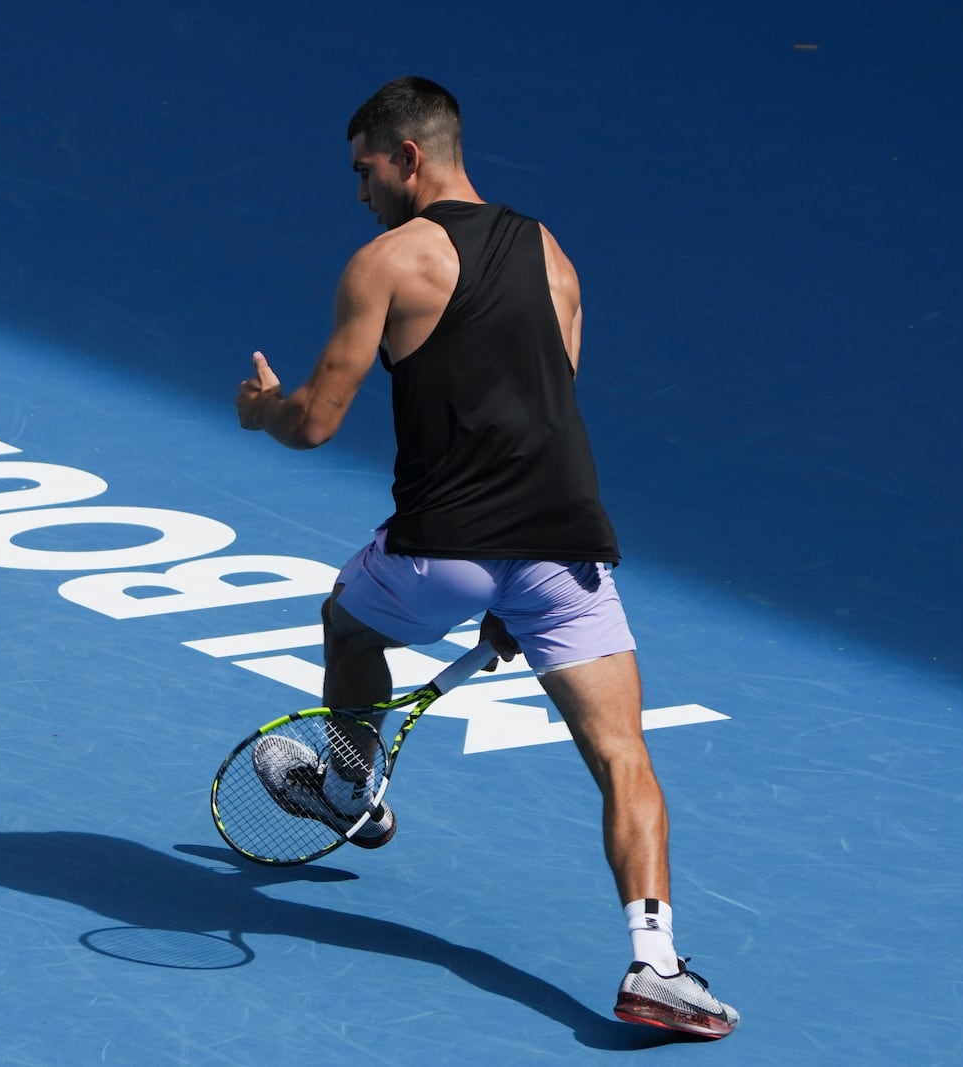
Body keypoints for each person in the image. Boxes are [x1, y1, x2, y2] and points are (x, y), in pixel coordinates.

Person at [234, 75, 738, 1039]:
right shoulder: (553, 253)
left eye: (364, 169)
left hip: (442, 551)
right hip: (562, 546)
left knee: (349, 621)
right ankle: (657, 967)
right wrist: (522, 577)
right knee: (622, 754)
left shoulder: (386, 259)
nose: (360, 189)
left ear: (408, 158)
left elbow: (316, 424)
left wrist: (264, 414)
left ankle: (349, 790)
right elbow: (554, 402)